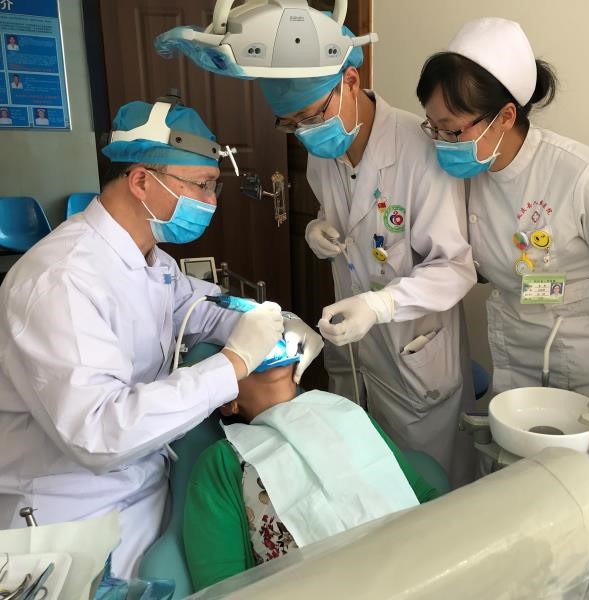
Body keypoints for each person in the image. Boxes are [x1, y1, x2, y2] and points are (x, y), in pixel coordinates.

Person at [0, 99, 323, 577]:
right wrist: (234, 364)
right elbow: (99, 434)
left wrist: (274, 320)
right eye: (202, 185)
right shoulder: (59, 282)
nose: (212, 201)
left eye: (214, 186)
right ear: (140, 181)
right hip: (76, 509)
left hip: (148, 478)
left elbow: (201, 308)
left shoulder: (150, 260)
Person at [254, 27, 478, 487]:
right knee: (365, 477)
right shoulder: (323, 149)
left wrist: (380, 305)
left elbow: (454, 267)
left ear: (351, 82)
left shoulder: (421, 151)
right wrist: (317, 227)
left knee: (427, 488)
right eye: (291, 124)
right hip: (356, 352)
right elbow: (349, 215)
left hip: (414, 352)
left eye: (310, 116)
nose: (305, 133)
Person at [416, 18, 589, 400]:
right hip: (513, 353)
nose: (441, 142)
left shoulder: (584, 177)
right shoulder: (466, 174)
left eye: (451, 130)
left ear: (505, 117)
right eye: (432, 127)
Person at [183, 351, 440, 591]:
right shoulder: (221, 462)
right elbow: (223, 589)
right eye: (246, 350)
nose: (264, 349)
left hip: (421, 574)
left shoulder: (347, 413)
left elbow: (422, 498)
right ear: (228, 402)